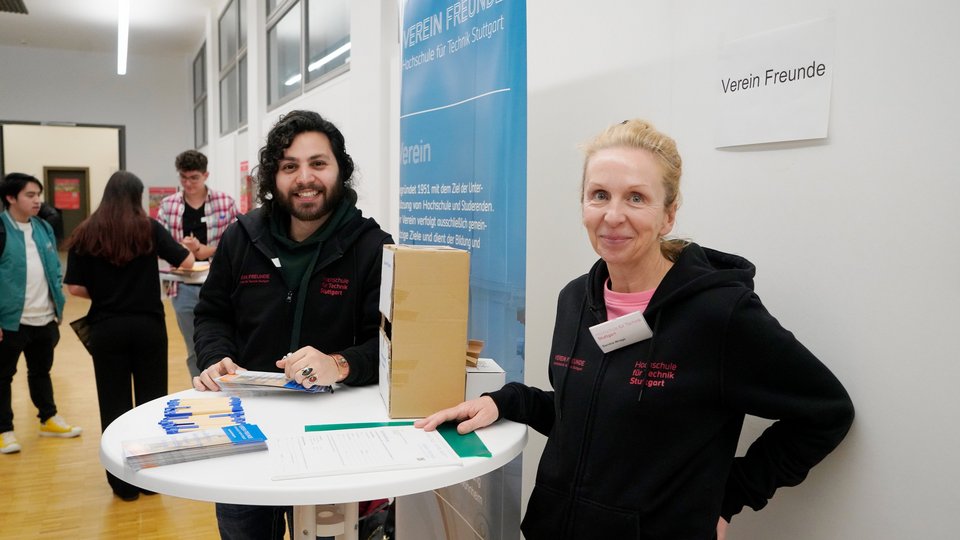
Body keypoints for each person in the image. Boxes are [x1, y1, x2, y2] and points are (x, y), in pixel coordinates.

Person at [416, 119, 856, 539]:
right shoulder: (576, 299)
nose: (613, 215)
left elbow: (826, 411)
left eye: (636, 198)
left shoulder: (720, 314)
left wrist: (731, 496)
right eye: (599, 195)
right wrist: (506, 400)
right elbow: (589, 414)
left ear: (668, 215)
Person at [192, 110, 393, 539]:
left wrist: (339, 363)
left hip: (335, 440)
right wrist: (215, 356)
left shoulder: (373, 248)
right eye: (289, 166)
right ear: (273, 177)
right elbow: (212, 314)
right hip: (244, 434)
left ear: (341, 170)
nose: (305, 178)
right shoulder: (240, 238)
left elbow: (390, 346)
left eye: (318, 163)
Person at [64, 171, 194, 501]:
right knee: (151, 403)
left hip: (106, 328)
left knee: (113, 405)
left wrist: (105, 294)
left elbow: (74, 287)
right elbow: (187, 261)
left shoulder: (86, 231)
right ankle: (150, 479)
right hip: (148, 326)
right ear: (137, 196)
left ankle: (121, 484)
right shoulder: (148, 228)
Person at [0, 173, 81, 455]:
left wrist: (58, 304)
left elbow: (54, 268)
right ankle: (4, 430)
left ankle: (48, 418)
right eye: (30, 195)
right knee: (3, 376)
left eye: (38, 195)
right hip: (11, 321)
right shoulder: (1, 229)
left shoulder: (43, 227)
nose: (37, 201)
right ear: (11, 198)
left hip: (45, 318)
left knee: (41, 371)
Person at [156, 149, 238, 379]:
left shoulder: (225, 203)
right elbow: (159, 243)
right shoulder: (168, 205)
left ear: (206, 175)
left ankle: (226, 386)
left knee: (225, 342)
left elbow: (237, 242)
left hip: (219, 284)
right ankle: (201, 388)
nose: (188, 183)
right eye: (183, 178)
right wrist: (182, 250)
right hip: (182, 286)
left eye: (194, 178)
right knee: (194, 348)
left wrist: (204, 250)